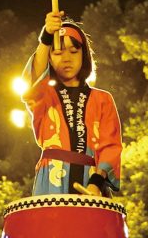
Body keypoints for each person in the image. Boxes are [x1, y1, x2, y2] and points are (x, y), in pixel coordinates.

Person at [22, 12, 122, 197]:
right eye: (58, 52)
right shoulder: (44, 97)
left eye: (74, 51)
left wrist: (96, 182)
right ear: (49, 58)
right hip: (52, 183)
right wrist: (46, 38)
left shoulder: (103, 99)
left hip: (92, 183)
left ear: (84, 55)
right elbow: (33, 79)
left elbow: (110, 146)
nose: (66, 58)